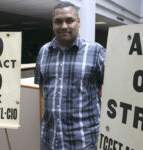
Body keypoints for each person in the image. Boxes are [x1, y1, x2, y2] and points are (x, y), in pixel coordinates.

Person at [34, 1, 106, 150]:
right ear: (53, 24)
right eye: (58, 21)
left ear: (78, 22)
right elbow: (42, 89)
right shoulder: (43, 52)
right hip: (49, 139)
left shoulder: (96, 51)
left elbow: (112, 91)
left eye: (70, 20)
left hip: (83, 142)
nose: (64, 26)